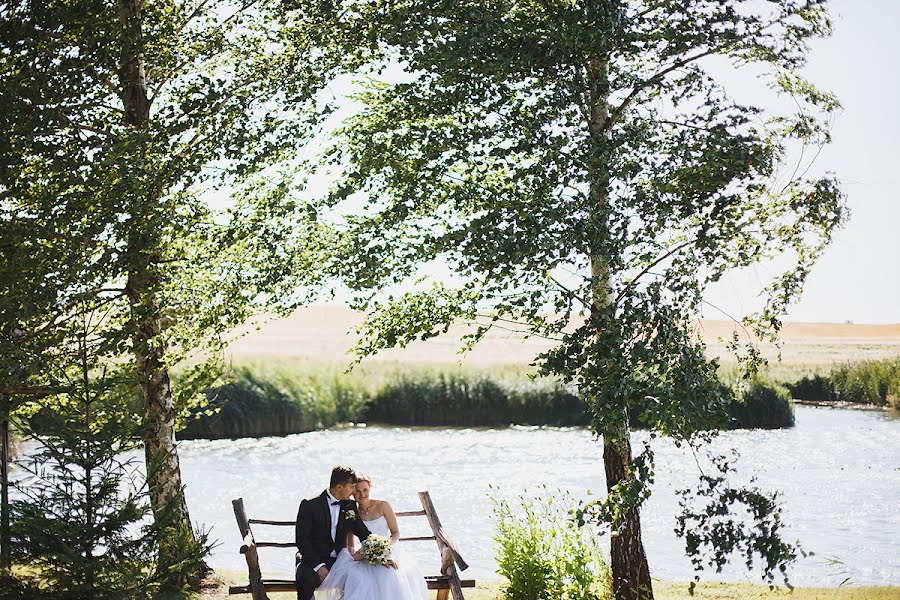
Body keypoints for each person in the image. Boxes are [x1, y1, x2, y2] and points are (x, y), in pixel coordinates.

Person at [315, 473, 428, 600]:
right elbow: (351, 544)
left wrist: (383, 548)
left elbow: (395, 533)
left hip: (388, 549)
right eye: (357, 491)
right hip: (364, 553)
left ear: (370, 489)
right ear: (352, 492)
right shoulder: (351, 511)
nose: (362, 494)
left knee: (388, 574)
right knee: (358, 579)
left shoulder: (383, 505)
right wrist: (356, 554)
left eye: (365, 490)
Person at [296, 465, 372, 600]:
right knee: (305, 580)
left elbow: (362, 532)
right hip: (313, 559)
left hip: (340, 561)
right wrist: (319, 567)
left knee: (361, 580)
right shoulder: (310, 505)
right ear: (339, 487)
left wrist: (379, 549)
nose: (354, 491)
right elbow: (302, 540)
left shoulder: (349, 505)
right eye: (352, 486)